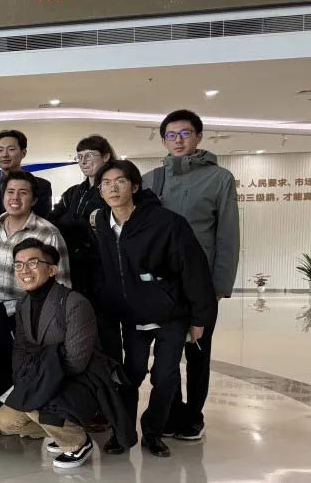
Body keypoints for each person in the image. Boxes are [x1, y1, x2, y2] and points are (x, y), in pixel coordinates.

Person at [92, 160, 217, 458]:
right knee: (130, 374)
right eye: (106, 183)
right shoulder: (102, 224)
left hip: (170, 314)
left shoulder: (167, 222)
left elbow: (194, 270)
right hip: (132, 315)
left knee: (165, 377)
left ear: (135, 186)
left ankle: (154, 432)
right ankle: (122, 433)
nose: (113, 188)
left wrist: (200, 318)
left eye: (120, 181)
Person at [0, 239, 136, 469]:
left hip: (81, 379)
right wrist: (26, 377)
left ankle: (77, 443)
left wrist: (38, 380)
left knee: (35, 399)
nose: (24, 270)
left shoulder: (75, 303)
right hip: (46, 372)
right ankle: (60, 429)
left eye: (32, 263)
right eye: (18, 265)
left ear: (52, 270)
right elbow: (21, 348)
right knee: (6, 421)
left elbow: (76, 361)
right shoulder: (23, 305)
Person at [143, 109, 239, 442]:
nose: (179, 140)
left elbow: (227, 236)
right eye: (171, 135)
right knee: (166, 355)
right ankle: (171, 411)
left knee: (198, 353)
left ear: (199, 136)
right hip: (160, 286)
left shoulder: (220, 179)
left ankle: (193, 416)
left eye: (185, 133)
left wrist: (219, 287)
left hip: (201, 284)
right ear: (163, 141)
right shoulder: (151, 180)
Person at [0, 170, 70, 397]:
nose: (15, 198)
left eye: (23, 193)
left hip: (30, 309)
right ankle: (4, 405)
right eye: (10, 192)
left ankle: (25, 404)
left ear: (34, 199)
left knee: (28, 366)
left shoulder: (47, 232)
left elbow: (62, 281)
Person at [49, 135, 119, 358]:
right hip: (75, 270)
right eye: (79, 157)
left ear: (106, 156)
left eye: (89, 155)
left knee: (107, 332)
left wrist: (74, 224)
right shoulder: (74, 192)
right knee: (79, 329)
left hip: (104, 271)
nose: (83, 161)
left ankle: (112, 376)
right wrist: (82, 223)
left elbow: (110, 227)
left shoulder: (114, 190)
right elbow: (53, 222)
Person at [0, 130, 53, 219]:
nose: (4, 154)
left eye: (11, 149)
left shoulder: (42, 185)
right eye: (0, 150)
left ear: (23, 153)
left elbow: (43, 219)